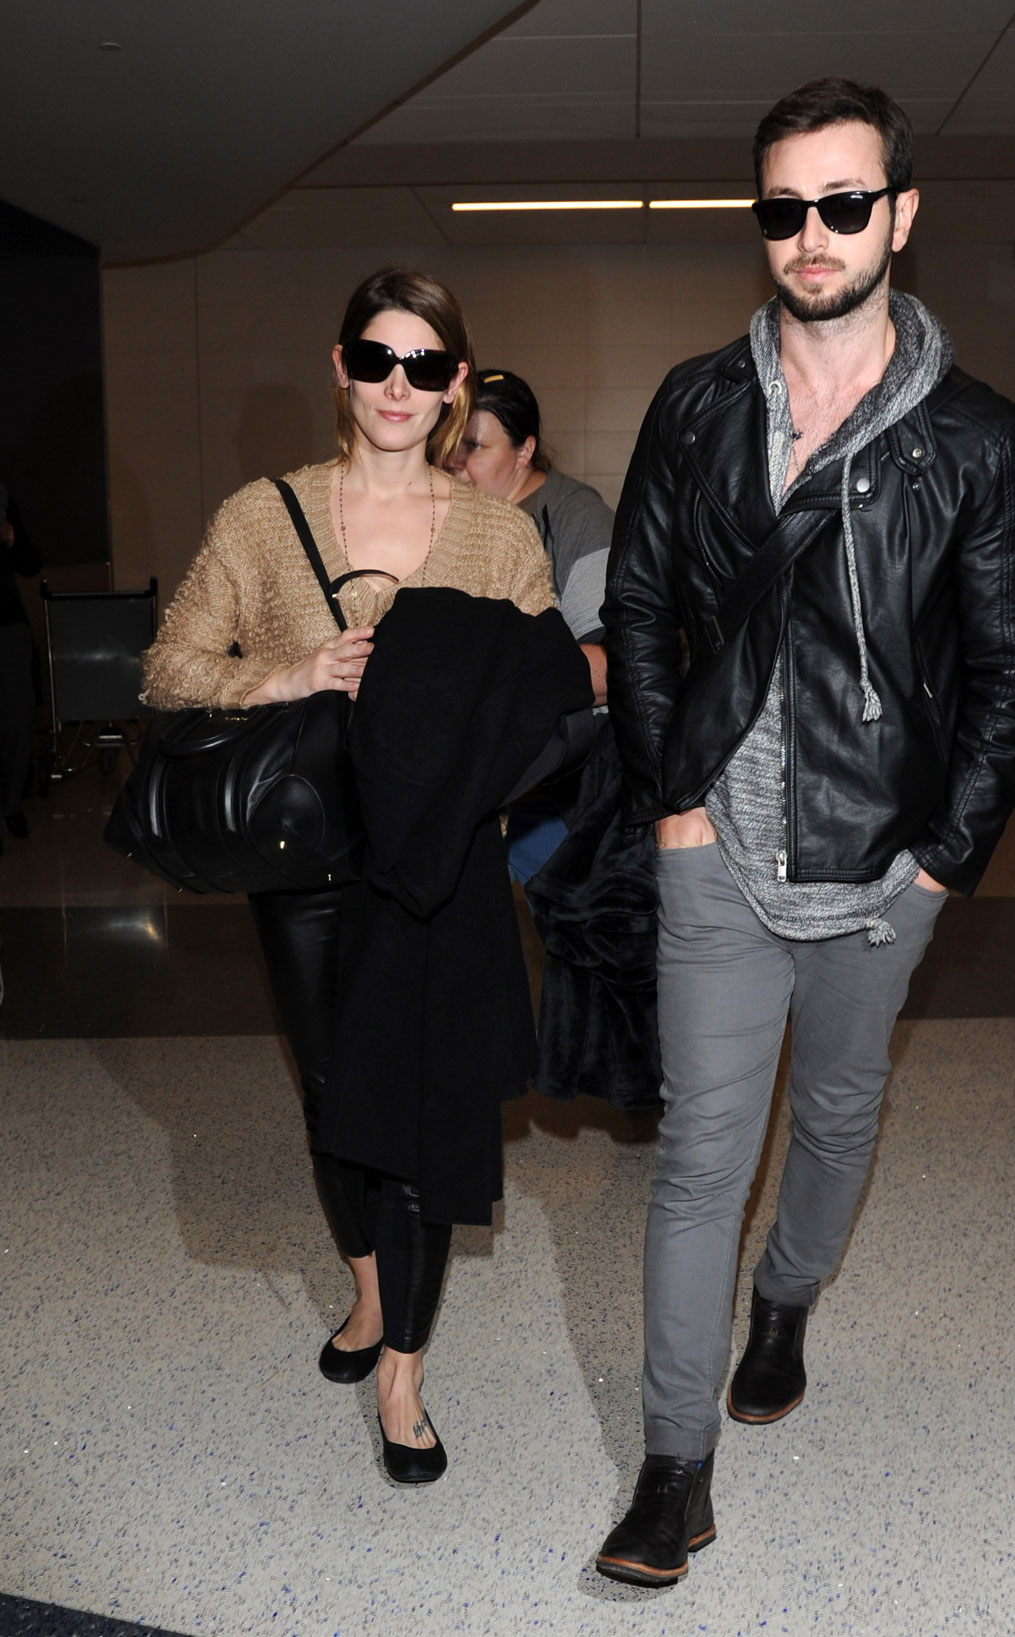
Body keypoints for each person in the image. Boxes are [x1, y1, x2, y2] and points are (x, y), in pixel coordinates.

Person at [596, 77, 1015, 1587]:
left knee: (841, 1114)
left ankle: (785, 1302)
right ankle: (676, 1466)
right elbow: (646, 610)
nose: (812, 235)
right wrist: (672, 799)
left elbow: (1007, 672)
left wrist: (940, 859)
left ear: (901, 216)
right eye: (784, 206)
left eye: (843, 203)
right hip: (716, 845)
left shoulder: (980, 439)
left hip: (882, 864)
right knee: (701, 1158)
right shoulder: (696, 403)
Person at [142, 266, 559, 1485]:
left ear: (455, 384)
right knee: (335, 1096)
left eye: (426, 367)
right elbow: (170, 665)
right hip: (311, 858)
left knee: (427, 1109)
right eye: (376, 360)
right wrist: (288, 674)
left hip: (438, 867)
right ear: (341, 367)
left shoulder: (496, 532)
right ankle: (370, 1290)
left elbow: (541, 701)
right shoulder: (262, 516)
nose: (398, 387)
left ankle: (403, 1375)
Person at [451, 367, 612, 882]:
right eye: (449, 446)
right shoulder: (450, 522)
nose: (456, 464)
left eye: (473, 447)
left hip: (563, 775)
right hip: (482, 766)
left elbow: (608, 667)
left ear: (524, 452)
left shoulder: (575, 517)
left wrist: (492, 687)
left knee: (576, 927)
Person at [0, 484, 41, 847]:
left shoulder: (4, 499)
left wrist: (13, 539)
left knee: (18, 718)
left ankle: (11, 803)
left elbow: (31, 563)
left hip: (7, 623)